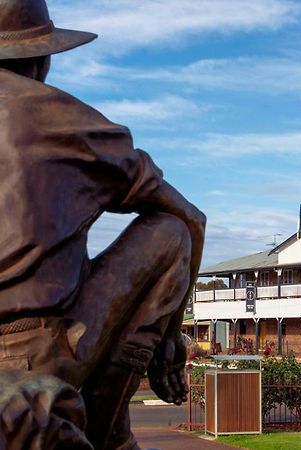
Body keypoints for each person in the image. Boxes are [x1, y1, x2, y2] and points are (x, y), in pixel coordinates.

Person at [0, 1, 206, 449]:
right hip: (35, 353)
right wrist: (171, 341)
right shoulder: (59, 115)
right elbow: (190, 217)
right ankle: (108, 433)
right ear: (40, 58)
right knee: (170, 233)